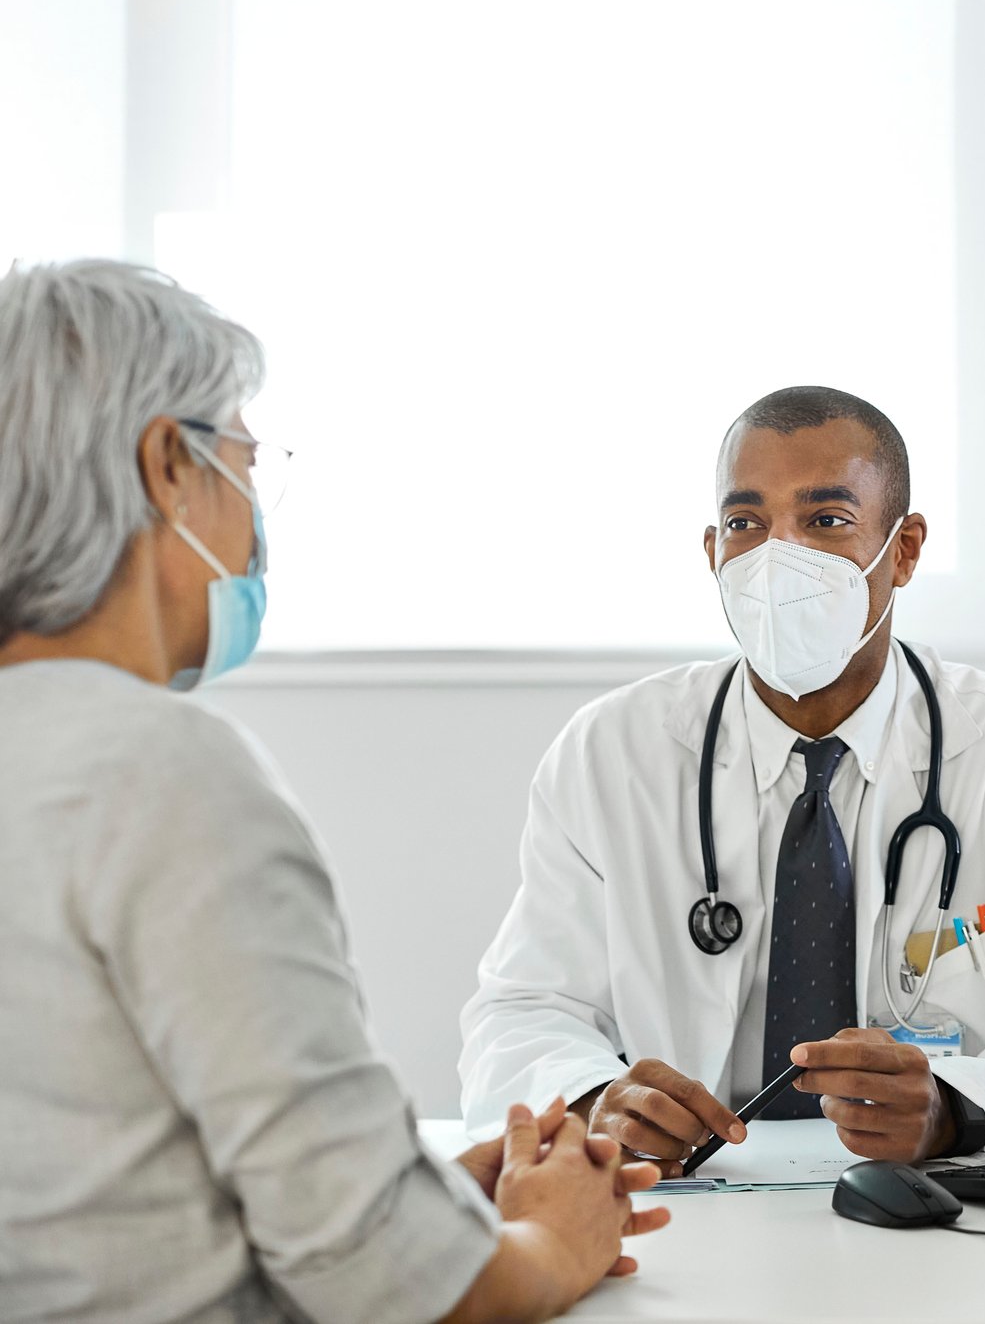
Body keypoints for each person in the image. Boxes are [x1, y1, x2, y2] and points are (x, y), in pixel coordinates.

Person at [0, 260, 669, 1323]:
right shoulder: (163, 771)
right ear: (168, 466)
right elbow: (407, 1294)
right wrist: (559, 1236)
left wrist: (418, 1197)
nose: (255, 505)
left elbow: (111, 1205)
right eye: (243, 457)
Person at [460, 386, 985, 1169]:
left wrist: (955, 1109)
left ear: (901, 551)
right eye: (746, 524)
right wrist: (599, 1103)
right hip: (688, 1205)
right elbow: (522, 1011)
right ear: (712, 553)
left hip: (941, 1212)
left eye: (825, 521)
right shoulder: (613, 754)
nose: (777, 558)